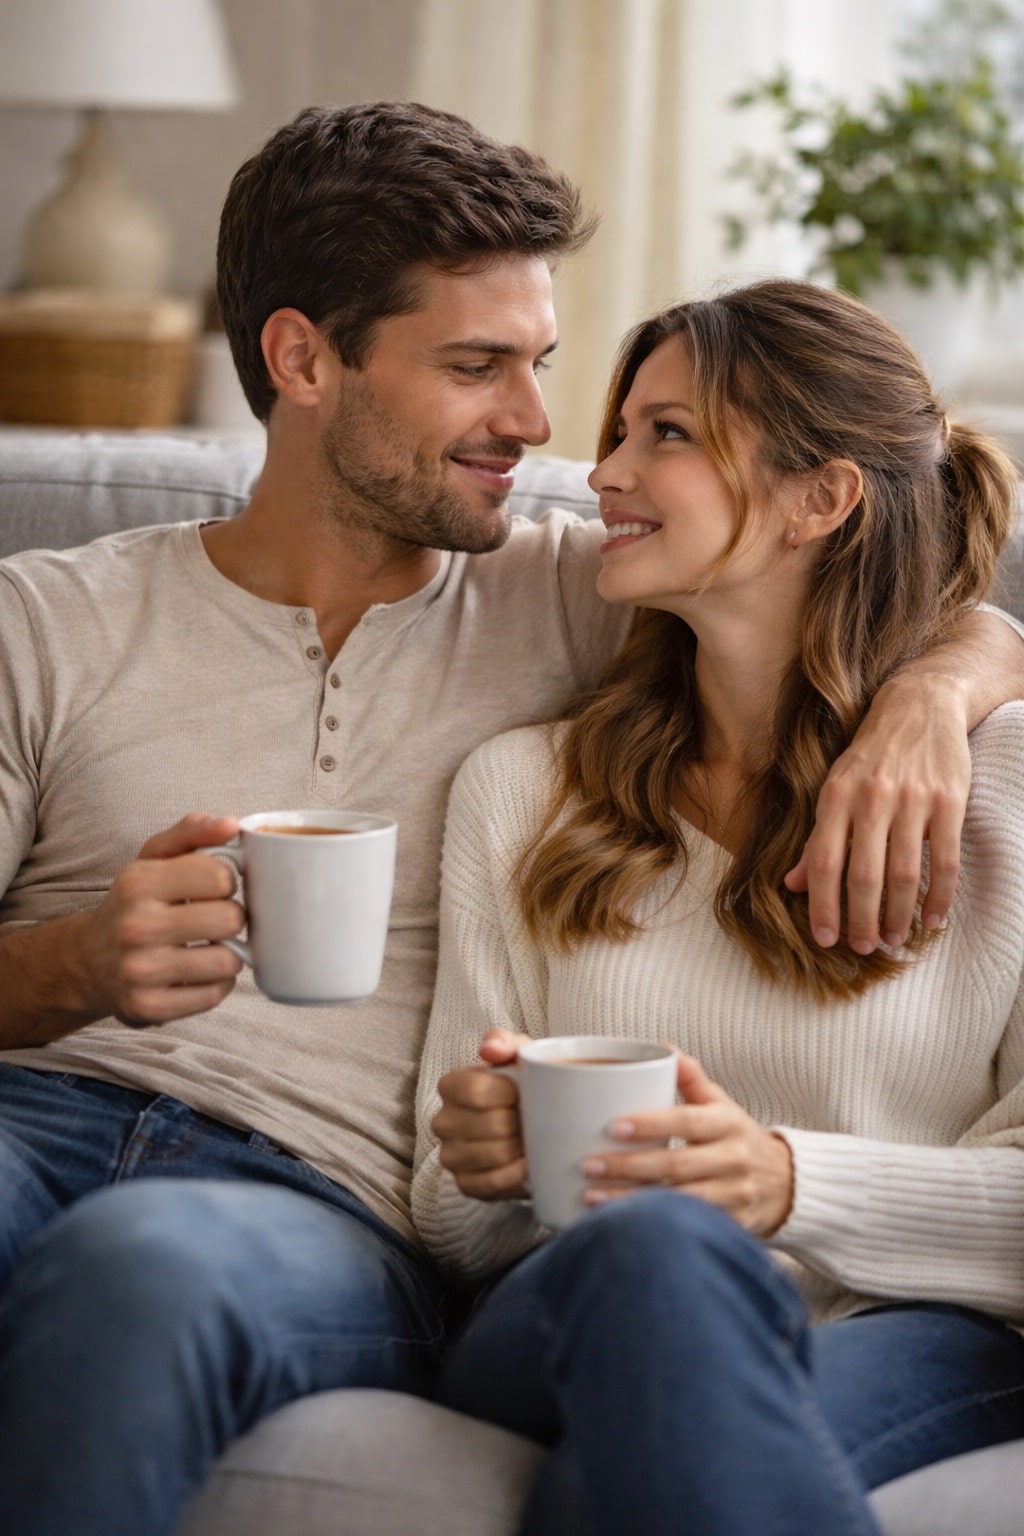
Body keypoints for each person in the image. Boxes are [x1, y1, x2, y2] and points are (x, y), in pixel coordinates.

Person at [0, 101, 1018, 1536]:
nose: (546, 433)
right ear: (302, 359)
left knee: (149, 1268)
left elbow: (866, 575)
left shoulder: (575, 592)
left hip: (299, 1196)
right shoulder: (46, 616)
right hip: (30, 1110)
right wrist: (69, 967)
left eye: (541, 366)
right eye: (478, 367)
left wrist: (932, 697)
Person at [415, 279, 1024, 1536]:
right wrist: (482, 1161)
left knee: (627, 1474)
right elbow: (447, 1218)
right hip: (572, 1300)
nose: (601, 474)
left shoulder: (1003, 790)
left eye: (667, 434)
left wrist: (787, 1183)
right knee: (655, 1252)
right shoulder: (522, 791)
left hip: (910, 1329)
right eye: (619, 431)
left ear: (821, 498)